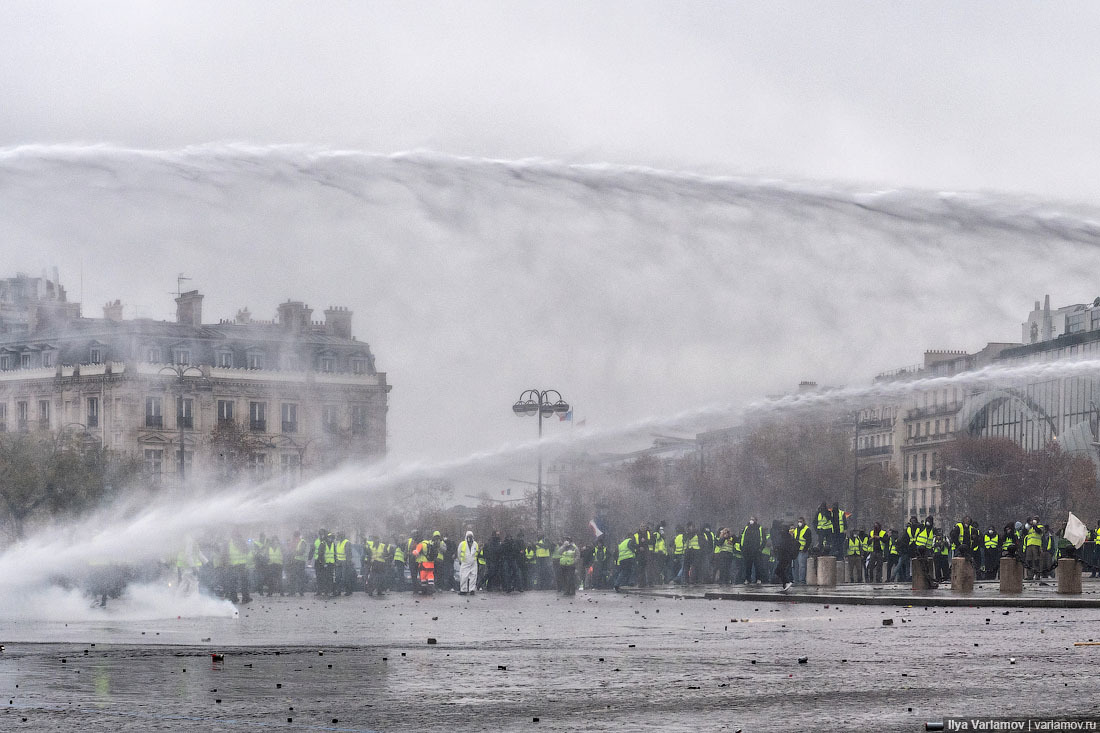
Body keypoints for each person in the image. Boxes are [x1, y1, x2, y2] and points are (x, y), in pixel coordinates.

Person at [740, 517, 766, 584]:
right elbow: (743, 538)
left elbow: (763, 539)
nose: (751, 521)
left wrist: (760, 548)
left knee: (758, 565)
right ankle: (747, 579)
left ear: (756, 521)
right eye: (751, 519)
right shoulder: (746, 528)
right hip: (748, 550)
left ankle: (758, 579)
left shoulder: (760, 528)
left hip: (756, 550)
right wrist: (742, 547)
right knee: (748, 566)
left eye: (753, 519)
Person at [774, 523, 798, 591]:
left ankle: (787, 582)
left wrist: (778, 548)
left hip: (784, 557)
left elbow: (784, 547)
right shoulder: (785, 537)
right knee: (780, 570)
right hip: (784, 557)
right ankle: (785, 584)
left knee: (779, 570)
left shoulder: (786, 537)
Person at [792, 517, 811, 585]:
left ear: (804, 522)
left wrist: (805, 549)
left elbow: (809, 541)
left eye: (801, 521)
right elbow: (794, 539)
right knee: (795, 566)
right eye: (798, 521)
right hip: (796, 551)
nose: (799, 523)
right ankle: (796, 580)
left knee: (802, 566)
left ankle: (802, 580)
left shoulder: (807, 529)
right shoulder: (796, 529)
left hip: (802, 551)